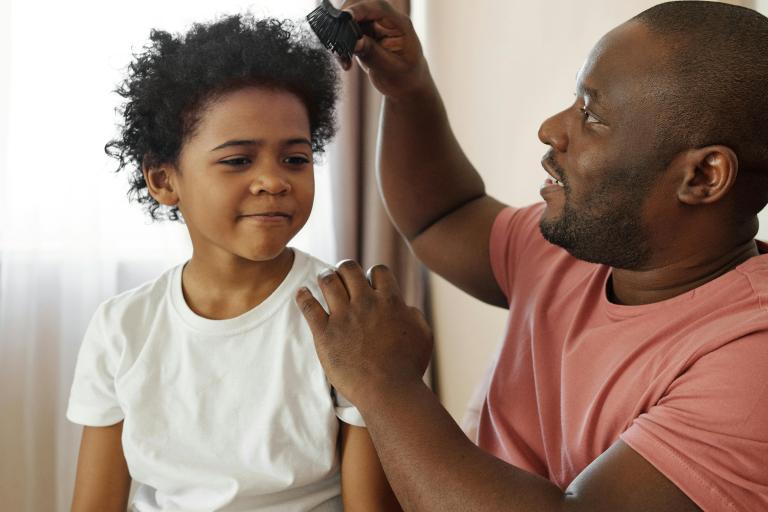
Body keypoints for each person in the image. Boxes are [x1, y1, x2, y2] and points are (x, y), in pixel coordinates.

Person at [295, 1, 768, 511]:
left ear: (702, 176)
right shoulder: (582, 248)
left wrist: (386, 383)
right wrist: (407, 90)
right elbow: (443, 216)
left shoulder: (749, 360)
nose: (551, 129)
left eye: (592, 115)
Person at [66, 14, 401, 512]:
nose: (273, 181)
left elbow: (367, 505)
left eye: (295, 159)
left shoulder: (345, 316)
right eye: (238, 160)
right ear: (164, 181)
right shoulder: (122, 327)